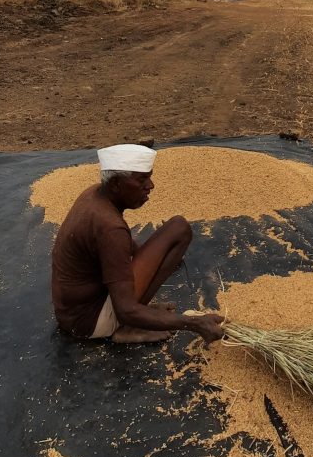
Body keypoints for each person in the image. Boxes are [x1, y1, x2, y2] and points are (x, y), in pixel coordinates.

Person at [50, 143, 224, 345]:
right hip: (88, 322)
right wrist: (195, 323)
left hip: (72, 312)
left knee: (176, 229)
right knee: (179, 228)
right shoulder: (110, 228)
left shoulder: (95, 194)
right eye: (142, 179)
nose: (150, 185)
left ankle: (138, 315)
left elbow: (120, 246)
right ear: (116, 184)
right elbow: (125, 310)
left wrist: (155, 259)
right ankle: (126, 328)